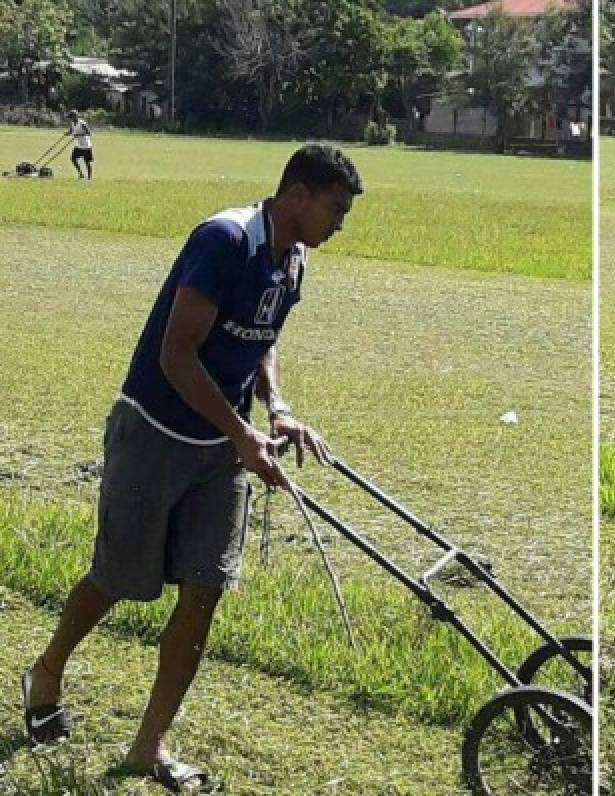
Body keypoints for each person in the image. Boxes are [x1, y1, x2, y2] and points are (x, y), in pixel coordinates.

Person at [20, 143, 362, 790]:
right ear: (297, 196)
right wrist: (242, 436)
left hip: (219, 450)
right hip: (154, 430)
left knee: (203, 591)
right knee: (117, 578)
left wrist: (276, 410)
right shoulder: (225, 241)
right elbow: (178, 356)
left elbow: (261, 340)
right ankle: (47, 670)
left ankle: (148, 746)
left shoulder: (293, 263)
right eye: (334, 209)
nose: (339, 224)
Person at [66, 110, 94, 180]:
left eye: (71, 117)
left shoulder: (82, 123)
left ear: (75, 116)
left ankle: (89, 178)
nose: (70, 119)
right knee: (73, 159)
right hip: (78, 145)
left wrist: (78, 134)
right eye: (69, 118)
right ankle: (81, 174)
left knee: (87, 162)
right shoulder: (72, 123)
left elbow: (89, 133)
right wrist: (67, 133)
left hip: (86, 145)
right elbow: (71, 131)